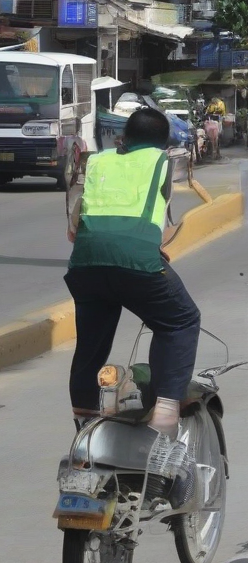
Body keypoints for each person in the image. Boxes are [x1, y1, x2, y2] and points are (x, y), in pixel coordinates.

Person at [65, 107, 201, 447]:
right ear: (163, 141)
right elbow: (163, 220)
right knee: (181, 321)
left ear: (122, 136)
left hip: (86, 263)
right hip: (138, 261)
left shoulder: (96, 161)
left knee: (90, 345)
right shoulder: (163, 161)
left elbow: (73, 226)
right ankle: (166, 411)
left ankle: (84, 427)